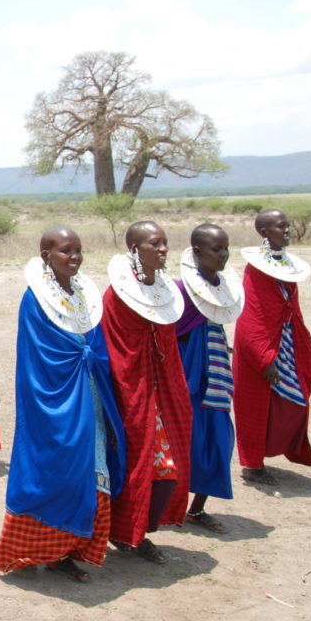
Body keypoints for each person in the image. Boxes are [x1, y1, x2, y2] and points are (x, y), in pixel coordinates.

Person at [0, 227, 126, 582]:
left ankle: (69, 551)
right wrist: (79, 361)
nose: (75, 257)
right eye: (66, 251)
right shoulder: (34, 300)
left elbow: (95, 343)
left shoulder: (86, 295)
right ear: (45, 256)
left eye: (79, 250)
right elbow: (39, 359)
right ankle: (36, 551)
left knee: (88, 469)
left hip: (92, 400)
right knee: (56, 469)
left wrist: (94, 365)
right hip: (54, 402)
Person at [100, 221, 192, 564]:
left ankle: (139, 531)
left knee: (167, 467)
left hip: (162, 392)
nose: (163, 250)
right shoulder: (117, 295)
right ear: (135, 249)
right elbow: (117, 351)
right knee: (137, 462)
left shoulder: (166, 293)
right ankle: (128, 533)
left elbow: (167, 343)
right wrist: (135, 392)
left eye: (166, 243)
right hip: (131, 392)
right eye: (155, 244)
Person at [233, 210, 311, 485]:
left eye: (287, 226)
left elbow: (289, 307)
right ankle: (252, 465)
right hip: (259, 348)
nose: (287, 231)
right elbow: (253, 315)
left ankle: (275, 448)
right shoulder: (256, 270)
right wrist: (264, 358)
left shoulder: (286, 265)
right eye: (280, 227)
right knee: (254, 407)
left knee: (295, 395)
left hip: (285, 342)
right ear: (263, 232)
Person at [175, 224, 245, 532]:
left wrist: (215, 343)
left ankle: (197, 509)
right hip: (187, 377)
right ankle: (169, 507)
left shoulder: (223, 288)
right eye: (217, 249)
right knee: (182, 444)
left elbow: (212, 323)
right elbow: (171, 332)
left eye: (226, 248)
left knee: (218, 442)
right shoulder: (180, 290)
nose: (224, 255)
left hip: (215, 377)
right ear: (198, 252)